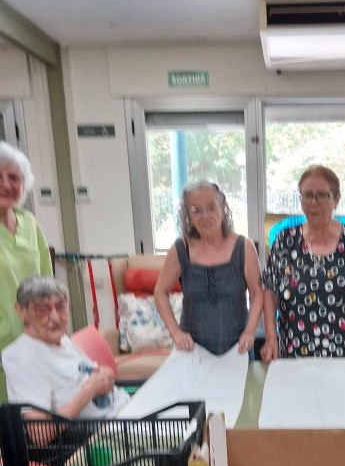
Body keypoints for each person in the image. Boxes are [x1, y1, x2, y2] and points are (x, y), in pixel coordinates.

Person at [260, 164, 345, 369]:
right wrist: (270, 337)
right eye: (307, 195)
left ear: (336, 199)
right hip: (295, 352)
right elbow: (270, 291)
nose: (314, 202)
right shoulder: (285, 241)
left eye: (322, 195)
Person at [154, 181, 263, 356]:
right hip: (191, 350)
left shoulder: (244, 246)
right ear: (188, 215)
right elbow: (160, 291)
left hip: (238, 349)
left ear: (223, 208)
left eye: (211, 207)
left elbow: (257, 293)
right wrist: (175, 332)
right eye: (196, 210)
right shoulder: (181, 248)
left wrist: (250, 332)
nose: (205, 216)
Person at [2, 275, 130, 424]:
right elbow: (39, 431)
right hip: (108, 429)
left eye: (61, 307)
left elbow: (83, 374)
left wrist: (103, 375)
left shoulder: (62, 340)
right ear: (21, 311)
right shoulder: (23, 358)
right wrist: (89, 391)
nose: (55, 318)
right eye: (42, 310)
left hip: (126, 410)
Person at [0, 142, 53, 403]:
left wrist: (51, 323)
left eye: (14, 177)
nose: (6, 185)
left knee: (36, 413)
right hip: (3, 342)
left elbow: (46, 282)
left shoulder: (29, 222)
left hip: (35, 336)